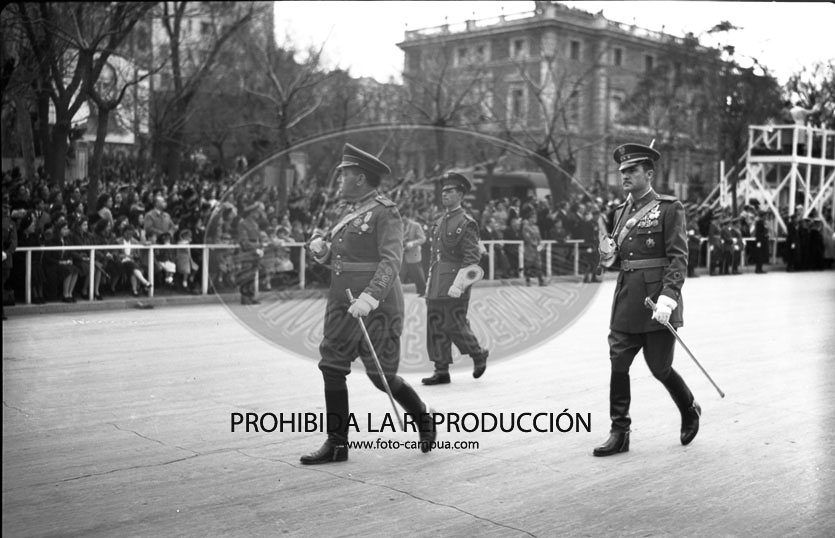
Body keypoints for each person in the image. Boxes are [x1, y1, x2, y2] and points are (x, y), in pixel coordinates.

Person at [301, 143, 437, 464]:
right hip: (341, 303)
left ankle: (422, 417)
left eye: (344, 175)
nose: (339, 181)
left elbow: (391, 262)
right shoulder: (345, 213)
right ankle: (337, 443)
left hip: (376, 305)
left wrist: (371, 296)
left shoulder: (385, 212)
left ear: (360, 178)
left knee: (381, 377)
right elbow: (342, 262)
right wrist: (322, 252)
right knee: (331, 367)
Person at [593, 143, 700, 457]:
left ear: (649, 173)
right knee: (618, 363)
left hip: (657, 301)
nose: (625, 175)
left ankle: (689, 407)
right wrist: (606, 256)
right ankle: (619, 431)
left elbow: (679, 258)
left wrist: (669, 297)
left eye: (632, 170)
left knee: (659, 367)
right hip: (627, 300)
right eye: (623, 171)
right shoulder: (620, 212)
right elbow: (619, 258)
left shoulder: (669, 208)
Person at [421, 172, 489, 385]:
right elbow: (434, 257)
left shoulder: (467, 223)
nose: (445, 195)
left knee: (454, 324)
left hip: (455, 282)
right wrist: (429, 283)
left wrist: (459, 284)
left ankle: (477, 353)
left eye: (450, 191)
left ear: (460, 194)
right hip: (437, 281)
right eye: (443, 191)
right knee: (436, 325)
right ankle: (441, 370)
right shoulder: (440, 221)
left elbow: (472, 258)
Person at [236, 201, 263, 305]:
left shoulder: (255, 224)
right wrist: (256, 247)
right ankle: (245, 298)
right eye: (256, 212)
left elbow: (258, 239)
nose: (258, 214)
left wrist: (261, 247)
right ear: (251, 213)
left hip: (255, 253)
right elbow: (244, 241)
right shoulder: (243, 224)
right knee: (246, 276)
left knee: (252, 276)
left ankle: (251, 296)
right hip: (247, 254)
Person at [401, 210, 427, 296]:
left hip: (413, 254)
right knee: (400, 273)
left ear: (406, 216)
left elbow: (422, 238)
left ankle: (422, 291)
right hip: (402, 254)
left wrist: (413, 243)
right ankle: (399, 293)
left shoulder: (415, 225)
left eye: (402, 216)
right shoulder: (400, 225)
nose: (401, 219)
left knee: (417, 274)